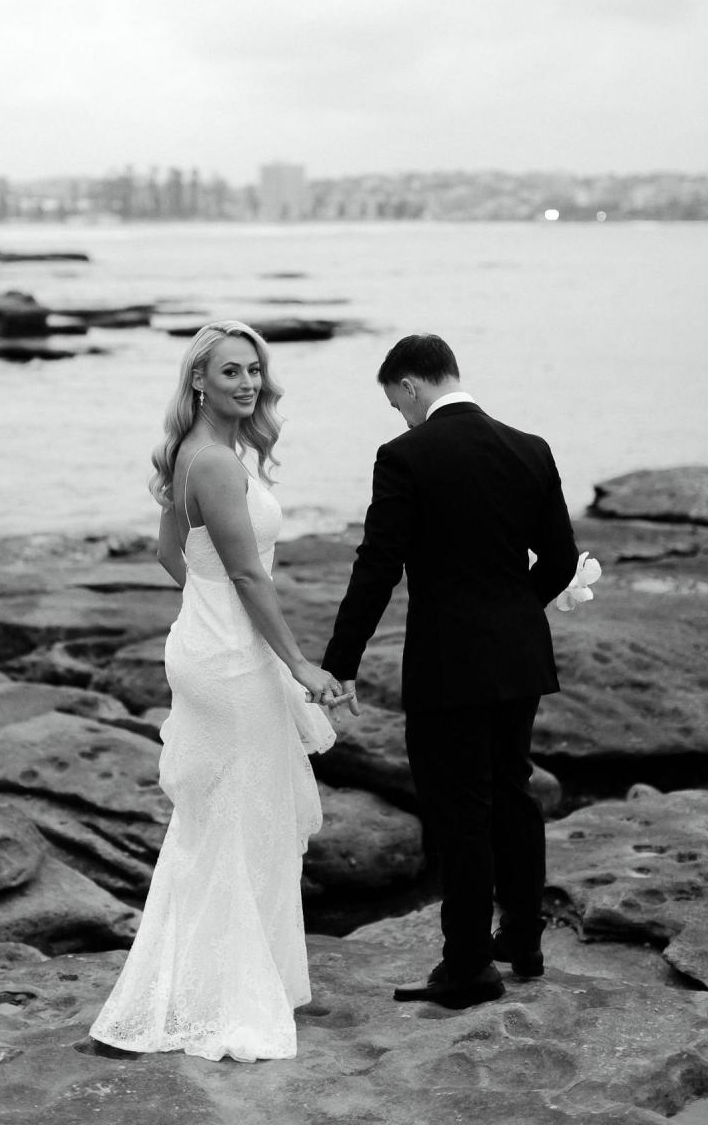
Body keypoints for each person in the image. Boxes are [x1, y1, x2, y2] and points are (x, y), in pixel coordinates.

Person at [90, 320, 345, 1062]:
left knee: (226, 819)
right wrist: (300, 665)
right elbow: (243, 574)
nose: (247, 383)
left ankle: (216, 981)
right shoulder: (217, 465)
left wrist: (208, 608)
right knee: (238, 822)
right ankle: (224, 999)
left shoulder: (192, 455)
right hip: (232, 662)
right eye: (231, 371)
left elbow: (174, 554)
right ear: (199, 380)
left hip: (208, 647)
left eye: (254, 372)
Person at [322, 334, 578, 1010]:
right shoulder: (531, 447)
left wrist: (339, 661)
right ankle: (522, 943)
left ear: (409, 386)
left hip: (446, 665)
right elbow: (559, 559)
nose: (400, 417)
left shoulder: (406, 455)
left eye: (396, 402)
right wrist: (514, 613)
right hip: (520, 655)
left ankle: (467, 966)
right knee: (513, 792)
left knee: (458, 812)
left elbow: (378, 565)